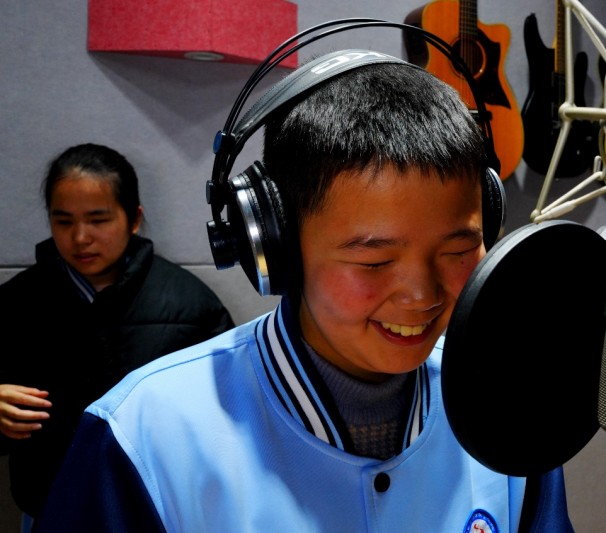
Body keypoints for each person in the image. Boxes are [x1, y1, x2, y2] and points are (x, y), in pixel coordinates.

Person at [35, 52, 575, 532]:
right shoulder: (143, 436)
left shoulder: (508, 408)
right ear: (277, 247)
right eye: (374, 260)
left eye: (458, 250)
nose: (420, 295)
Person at [0, 143, 235, 528]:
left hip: (157, 509)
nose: (80, 237)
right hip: (48, 508)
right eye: (63, 221)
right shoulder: (15, 303)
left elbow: (230, 417)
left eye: (98, 219)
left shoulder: (191, 305)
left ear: (134, 218)